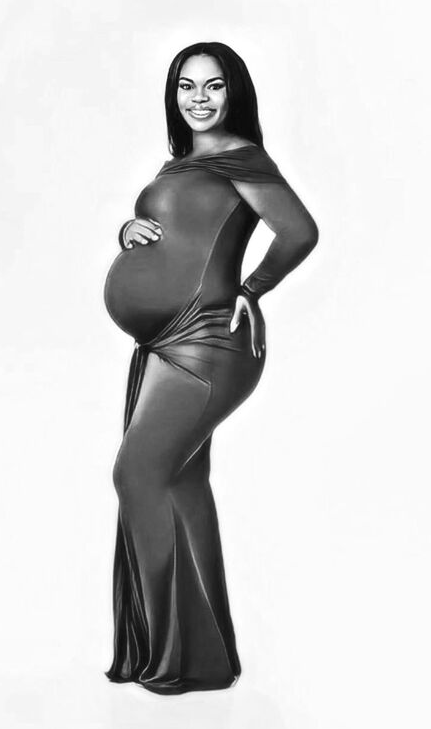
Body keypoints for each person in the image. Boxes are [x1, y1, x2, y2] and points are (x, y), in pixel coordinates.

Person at [103, 41, 319, 695]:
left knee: (138, 473)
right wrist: (129, 232)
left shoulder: (242, 158)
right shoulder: (180, 164)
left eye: (214, 85)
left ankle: (169, 652)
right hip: (166, 342)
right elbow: (174, 231)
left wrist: (254, 288)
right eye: (186, 86)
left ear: (234, 92)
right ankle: (203, 657)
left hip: (209, 341)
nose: (199, 98)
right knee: (180, 484)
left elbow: (299, 231)